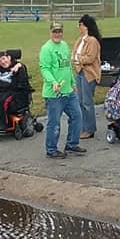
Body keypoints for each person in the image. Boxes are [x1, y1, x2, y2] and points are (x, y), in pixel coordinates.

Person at [40, 21, 85, 159]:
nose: (57, 34)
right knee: (54, 123)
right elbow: (45, 68)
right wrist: (53, 82)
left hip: (68, 91)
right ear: (50, 32)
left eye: (59, 31)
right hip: (54, 94)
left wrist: (72, 82)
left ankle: (72, 144)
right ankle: (51, 149)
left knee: (77, 116)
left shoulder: (64, 45)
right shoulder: (46, 49)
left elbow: (67, 66)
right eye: (55, 32)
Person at [72, 14, 102, 139]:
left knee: (87, 102)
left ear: (86, 26)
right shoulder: (80, 40)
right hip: (79, 72)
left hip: (89, 74)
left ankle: (90, 129)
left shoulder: (92, 41)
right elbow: (73, 54)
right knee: (79, 101)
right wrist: (76, 59)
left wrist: (79, 59)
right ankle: (83, 127)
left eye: (80, 25)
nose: (79, 27)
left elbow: (90, 58)